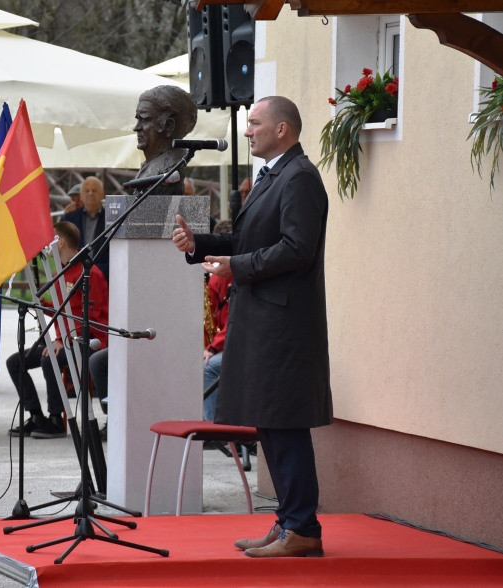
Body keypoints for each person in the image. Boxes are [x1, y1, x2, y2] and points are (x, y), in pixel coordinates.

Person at [172, 96, 333, 558]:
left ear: (283, 129)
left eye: (255, 123)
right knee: (270, 425)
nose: (247, 131)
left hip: (282, 325)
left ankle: (302, 527)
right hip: (263, 320)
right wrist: (199, 243)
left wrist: (235, 266)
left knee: (284, 426)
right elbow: (247, 240)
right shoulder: (272, 177)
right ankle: (289, 523)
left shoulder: (300, 178)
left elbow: (297, 249)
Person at [6, 221, 109, 439]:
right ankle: (36, 415)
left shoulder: (88, 273)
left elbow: (91, 316)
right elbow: (64, 309)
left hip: (90, 342)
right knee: (15, 362)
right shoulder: (62, 271)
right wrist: (41, 305)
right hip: (67, 339)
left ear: (60, 241)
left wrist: (64, 339)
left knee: (49, 359)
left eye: (52, 239)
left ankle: (56, 419)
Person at [132, 85, 198, 195]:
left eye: (144, 119)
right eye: (138, 119)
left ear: (168, 126)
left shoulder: (170, 168)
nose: (136, 128)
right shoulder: (152, 165)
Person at [202, 219, 232, 422]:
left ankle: (214, 426)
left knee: (208, 367)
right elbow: (209, 314)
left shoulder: (234, 275)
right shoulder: (216, 279)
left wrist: (211, 348)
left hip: (237, 344)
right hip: (224, 342)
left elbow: (234, 322)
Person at [62, 176, 109, 280]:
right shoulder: (69, 218)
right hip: (73, 276)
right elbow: (60, 248)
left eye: (94, 190)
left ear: (102, 195)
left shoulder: (112, 220)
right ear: (82, 196)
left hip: (103, 278)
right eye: (87, 190)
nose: (90, 193)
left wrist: (96, 272)